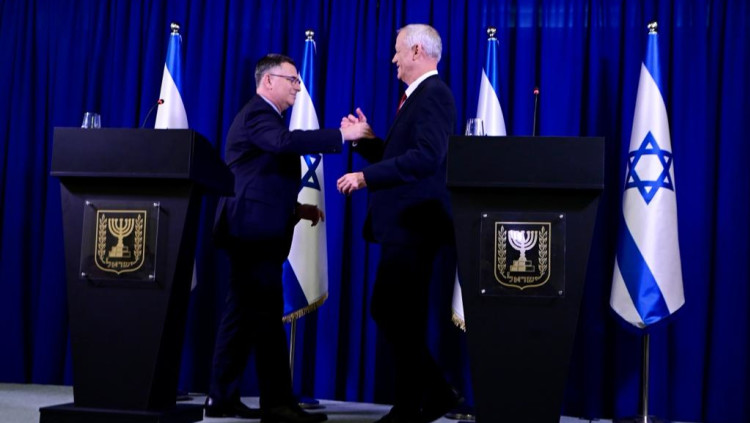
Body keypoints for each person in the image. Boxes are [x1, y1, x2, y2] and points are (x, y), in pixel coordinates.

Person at [207, 53, 372, 423]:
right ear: (268, 81)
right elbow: (283, 143)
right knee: (266, 318)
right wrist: (341, 135)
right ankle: (277, 404)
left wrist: (298, 209)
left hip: (253, 230)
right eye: (292, 79)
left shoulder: (265, 118)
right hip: (251, 233)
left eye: (298, 80)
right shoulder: (257, 114)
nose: (298, 86)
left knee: (241, 317)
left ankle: (222, 398)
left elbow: (258, 179)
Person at [337, 24, 460, 423]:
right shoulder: (417, 97)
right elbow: (402, 156)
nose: (393, 59)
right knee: (398, 314)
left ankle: (424, 399)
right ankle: (427, 398)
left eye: (397, 51)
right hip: (406, 225)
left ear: (416, 52)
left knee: (392, 311)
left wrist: (365, 177)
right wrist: (366, 141)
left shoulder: (433, 94)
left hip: (416, 225)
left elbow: (426, 158)